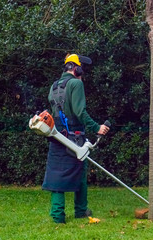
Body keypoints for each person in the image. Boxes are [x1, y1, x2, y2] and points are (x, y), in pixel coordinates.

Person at [42, 54, 110, 224]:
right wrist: (97, 127)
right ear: (76, 68)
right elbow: (80, 112)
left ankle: (57, 215)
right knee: (80, 171)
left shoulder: (54, 86)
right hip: (75, 136)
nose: (82, 72)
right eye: (82, 68)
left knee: (56, 174)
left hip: (56, 135)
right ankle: (80, 210)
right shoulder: (76, 83)